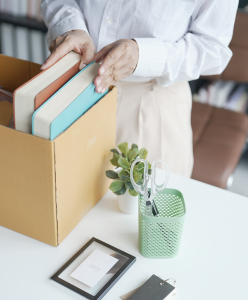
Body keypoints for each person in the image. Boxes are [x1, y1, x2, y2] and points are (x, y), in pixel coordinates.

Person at [40, 0, 238, 177]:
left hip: (151, 106)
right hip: (73, 90)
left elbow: (214, 49)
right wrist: (69, 27)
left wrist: (145, 56)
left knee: (142, 211)